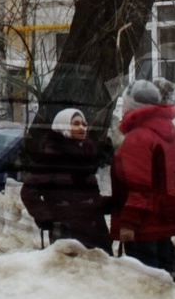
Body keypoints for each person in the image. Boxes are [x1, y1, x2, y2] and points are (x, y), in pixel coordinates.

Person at [110, 79, 175, 293]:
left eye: (125, 104)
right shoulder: (168, 133)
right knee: (169, 283)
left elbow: (139, 186)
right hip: (161, 219)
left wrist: (129, 222)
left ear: (132, 106)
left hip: (142, 225)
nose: (122, 109)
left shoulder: (138, 137)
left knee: (149, 288)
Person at [19, 106, 112, 249]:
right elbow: (28, 192)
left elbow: (88, 197)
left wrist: (111, 203)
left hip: (95, 232)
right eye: (76, 124)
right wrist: (47, 219)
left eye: (84, 124)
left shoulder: (85, 156)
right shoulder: (51, 158)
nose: (82, 128)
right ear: (63, 127)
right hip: (68, 233)